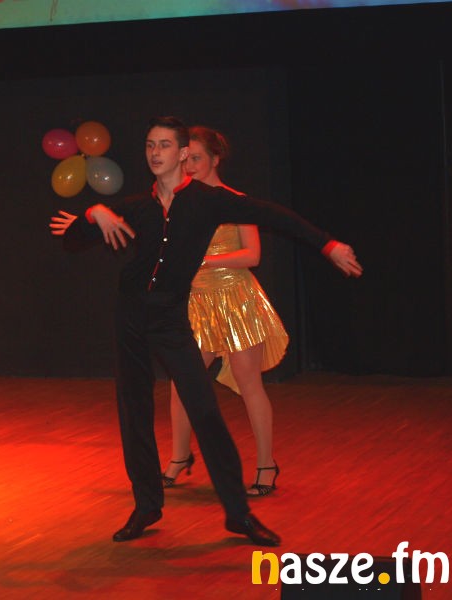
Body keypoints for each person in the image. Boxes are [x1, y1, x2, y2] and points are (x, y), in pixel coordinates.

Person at [50, 116, 361, 545]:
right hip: (131, 316)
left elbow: (275, 216)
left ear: (183, 154)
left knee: (205, 411)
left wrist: (327, 243)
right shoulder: (136, 205)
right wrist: (94, 212)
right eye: (149, 145)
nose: (155, 152)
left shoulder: (209, 202)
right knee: (134, 411)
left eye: (164, 145)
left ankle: (238, 514)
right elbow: (72, 240)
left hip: (171, 319)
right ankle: (146, 506)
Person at [162, 126, 287, 497]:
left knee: (249, 384)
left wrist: (205, 259)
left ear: (215, 159)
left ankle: (266, 465)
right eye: (185, 159)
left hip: (237, 302)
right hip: (196, 304)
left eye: (196, 158)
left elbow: (253, 254)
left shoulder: (235, 201)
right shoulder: (178, 203)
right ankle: (179, 457)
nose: (189, 165)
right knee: (181, 383)